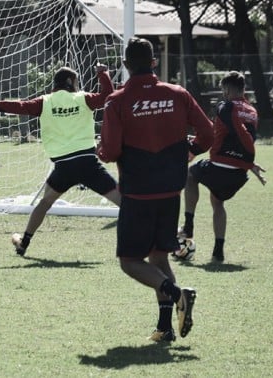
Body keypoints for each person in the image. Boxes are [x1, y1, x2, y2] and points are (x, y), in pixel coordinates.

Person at [98, 37, 214, 343]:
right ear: (153, 63)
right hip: (170, 192)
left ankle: (179, 294)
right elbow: (208, 133)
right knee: (159, 259)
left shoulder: (117, 100)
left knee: (130, 262)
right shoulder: (178, 93)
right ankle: (164, 329)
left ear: (125, 65)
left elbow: (109, 151)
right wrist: (191, 150)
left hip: (138, 193)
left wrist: (101, 150)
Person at [0, 64, 121, 256]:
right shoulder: (83, 98)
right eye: (76, 82)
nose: (78, 85)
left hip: (64, 168)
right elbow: (107, 96)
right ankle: (153, 238)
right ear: (70, 82)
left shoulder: (45, 102)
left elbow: (19, 106)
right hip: (87, 163)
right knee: (126, 202)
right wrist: (103, 74)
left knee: (44, 204)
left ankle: (24, 243)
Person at [178, 71, 266, 263]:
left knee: (189, 175)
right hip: (238, 174)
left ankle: (188, 226)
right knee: (218, 202)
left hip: (218, 166)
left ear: (226, 89)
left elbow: (225, 132)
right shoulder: (252, 111)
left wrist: (198, 142)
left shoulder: (224, 106)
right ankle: (218, 252)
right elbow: (241, 137)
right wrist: (249, 163)